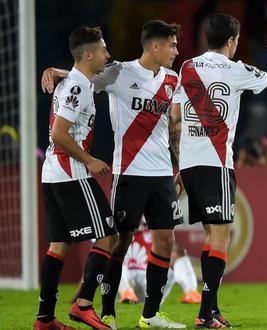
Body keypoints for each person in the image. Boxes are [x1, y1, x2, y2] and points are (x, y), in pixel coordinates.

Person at [42, 20, 186, 329]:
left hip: (162, 172)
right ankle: (107, 311)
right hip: (129, 171)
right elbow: (85, 78)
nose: (176, 51)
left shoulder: (174, 80)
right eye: (172, 45)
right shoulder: (121, 72)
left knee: (165, 240)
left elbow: (174, 127)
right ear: (156, 46)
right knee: (119, 241)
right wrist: (61, 71)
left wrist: (181, 165)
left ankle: (150, 315)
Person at [170, 13, 267, 329]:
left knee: (211, 236)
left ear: (204, 39)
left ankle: (212, 310)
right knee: (221, 238)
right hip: (216, 164)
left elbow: (175, 120)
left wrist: (180, 164)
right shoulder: (236, 70)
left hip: (190, 165)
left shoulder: (187, 68)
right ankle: (205, 314)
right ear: (234, 41)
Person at [35, 26, 117, 330]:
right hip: (72, 173)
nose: (107, 55)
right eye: (103, 50)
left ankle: (44, 320)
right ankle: (84, 305)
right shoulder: (77, 86)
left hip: (53, 173)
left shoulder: (75, 81)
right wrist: (90, 160)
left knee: (59, 246)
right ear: (88, 54)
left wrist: (57, 69)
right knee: (108, 234)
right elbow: (59, 133)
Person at [118, 219, 201, 305]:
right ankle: (126, 292)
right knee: (115, 257)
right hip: (126, 275)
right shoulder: (124, 214)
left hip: (151, 277)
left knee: (178, 253)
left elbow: (170, 244)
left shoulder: (157, 216)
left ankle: (191, 292)